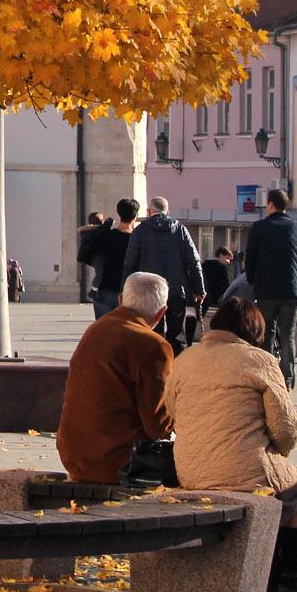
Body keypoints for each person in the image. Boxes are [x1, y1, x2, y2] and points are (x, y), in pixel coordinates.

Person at [166, 297, 297, 592]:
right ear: (254, 329)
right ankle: (291, 575)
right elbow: (286, 430)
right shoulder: (260, 361)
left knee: (275, 480)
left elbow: (172, 413)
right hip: (244, 473)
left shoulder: (186, 359)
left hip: (191, 472)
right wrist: (277, 451)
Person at [54, 271, 176, 484]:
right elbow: (157, 425)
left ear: (121, 299)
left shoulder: (95, 330)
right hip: (118, 461)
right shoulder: (154, 345)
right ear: (161, 313)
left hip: (74, 454)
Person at [243, 188, 297, 389]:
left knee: (266, 333)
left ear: (270, 205)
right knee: (288, 334)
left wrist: (252, 280)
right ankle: (288, 378)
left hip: (267, 290)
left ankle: (266, 375)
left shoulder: (259, 227)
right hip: (293, 291)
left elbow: (251, 259)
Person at [124, 197, 204, 356]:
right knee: (177, 335)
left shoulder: (140, 231)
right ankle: (176, 369)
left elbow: (130, 263)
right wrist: (199, 289)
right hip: (176, 290)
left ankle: (154, 370)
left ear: (148, 212)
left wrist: (124, 290)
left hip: (148, 292)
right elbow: (194, 261)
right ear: (167, 212)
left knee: (151, 333)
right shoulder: (181, 229)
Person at [82, 199, 138, 319]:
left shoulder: (107, 236)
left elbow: (87, 253)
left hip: (105, 288)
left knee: (103, 329)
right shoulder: (136, 240)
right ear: (135, 216)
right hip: (127, 290)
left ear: (118, 213)